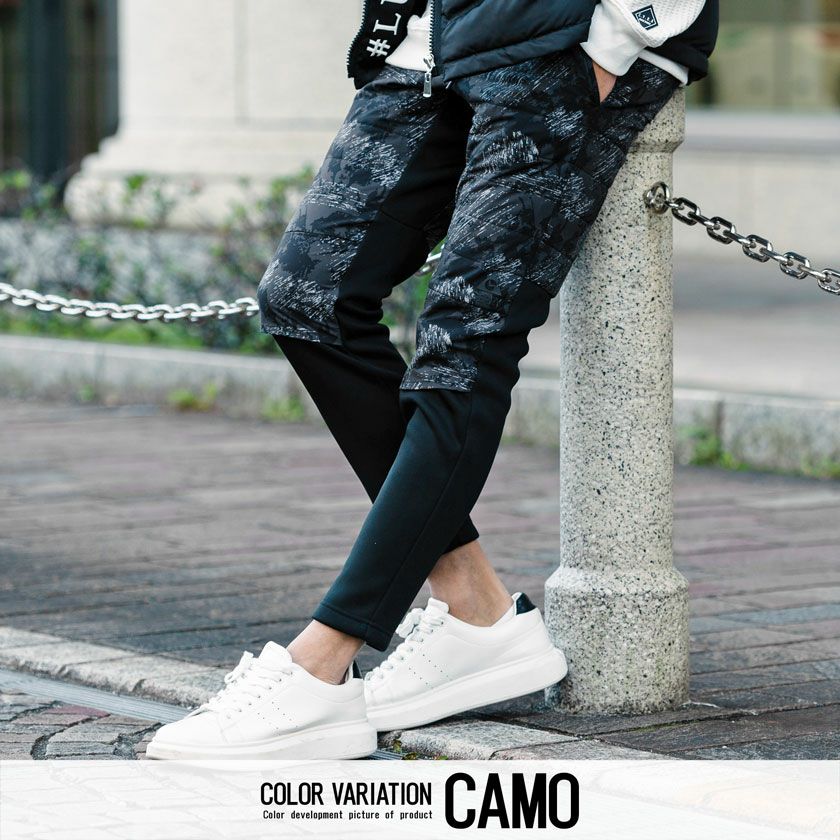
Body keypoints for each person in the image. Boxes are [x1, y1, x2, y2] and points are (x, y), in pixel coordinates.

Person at [146, 0, 718, 761]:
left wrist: (618, 36)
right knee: (307, 299)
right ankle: (475, 611)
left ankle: (323, 663)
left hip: (559, 43)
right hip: (421, 44)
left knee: (464, 343)